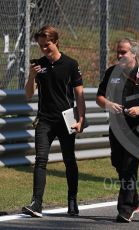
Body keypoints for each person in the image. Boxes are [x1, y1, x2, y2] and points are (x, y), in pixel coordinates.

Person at [96, 38, 139, 223]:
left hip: (137, 127)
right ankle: (133, 201)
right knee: (118, 164)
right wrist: (108, 104)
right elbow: (99, 97)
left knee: (129, 166)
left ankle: (124, 209)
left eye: (123, 52)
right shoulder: (111, 72)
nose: (119, 55)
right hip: (116, 126)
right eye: (117, 51)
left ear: (133, 53)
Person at [22, 25, 86, 218]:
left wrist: (81, 119)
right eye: (40, 45)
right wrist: (32, 76)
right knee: (40, 160)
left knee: (69, 160)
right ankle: (36, 203)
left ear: (56, 42)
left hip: (66, 121)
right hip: (44, 120)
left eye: (47, 45)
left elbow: (80, 94)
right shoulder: (38, 64)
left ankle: (72, 200)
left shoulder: (71, 64)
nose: (43, 49)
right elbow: (28, 95)